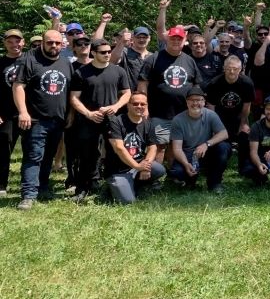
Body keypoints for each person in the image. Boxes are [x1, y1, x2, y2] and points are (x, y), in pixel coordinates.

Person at [14, 30, 74, 210]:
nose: (53, 46)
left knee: (48, 156)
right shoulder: (30, 60)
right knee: (33, 157)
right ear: (43, 43)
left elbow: (70, 90)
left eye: (57, 43)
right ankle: (28, 195)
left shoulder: (65, 63)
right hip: (35, 119)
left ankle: (43, 187)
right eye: (50, 43)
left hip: (58, 120)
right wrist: (23, 112)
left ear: (62, 44)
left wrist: (70, 114)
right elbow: (18, 87)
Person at [68, 38, 132, 202]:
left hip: (111, 118)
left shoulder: (118, 71)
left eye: (109, 52)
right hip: (89, 119)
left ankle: (111, 187)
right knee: (87, 154)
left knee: (114, 153)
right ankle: (83, 188)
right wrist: (88, 113)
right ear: (93, 53)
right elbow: (74, 98)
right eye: (103, 52)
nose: (107, 55)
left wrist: (116, 106)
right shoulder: (81, 72)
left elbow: (127, 93)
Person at [138, 24, 202, 164]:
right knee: (159, 146)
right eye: (173, 38)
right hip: (160, 113)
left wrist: (196, 107)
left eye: (179, 39)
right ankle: (156, 177)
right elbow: (142, 85)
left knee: (176, 145)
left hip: (183, 113)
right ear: (168, 38)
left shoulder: (189, 60)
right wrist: (144, 108)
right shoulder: (153, 59)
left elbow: (196, 86)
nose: (176, 41)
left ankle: (172, 175)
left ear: (184, 40)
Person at [103, 91, 166, 204]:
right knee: (128, 202)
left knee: (159, 170)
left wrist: (145, 167)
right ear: (128, 105)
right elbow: (119, 148)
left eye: (143, 104)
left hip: (138, 166)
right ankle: (113, 187)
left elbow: (153, 147)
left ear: (146, 106)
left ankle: (135, 185)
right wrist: (137, 166)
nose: (139, 106)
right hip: (118, 169)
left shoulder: (148, 123)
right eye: (135, 104)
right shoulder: (116, 122)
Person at [168, 86, 230, 193]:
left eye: (199, 100)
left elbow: (224, 133)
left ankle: (214, 183)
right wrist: (186, 164)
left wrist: (206, 144)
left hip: (206, 152)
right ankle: (190, 180)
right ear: (187, 102)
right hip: (187, 154)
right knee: (177, 172)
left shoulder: (211, 115)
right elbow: (177, 149)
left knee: (223, 147)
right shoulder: (177, 120)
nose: (195, 103)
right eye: (192, 100)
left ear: (204, 102)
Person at [205, 55, 255, 169]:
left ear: (241, 69)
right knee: (221, 144)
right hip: (219, 117)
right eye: (229, 68)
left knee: (246, 135)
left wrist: (243, 124)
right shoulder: (215, 83)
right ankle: (217, 165)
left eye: (235, 69)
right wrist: (215, 128)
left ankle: (245, 166)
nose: (232, 71)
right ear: (224, 68)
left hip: (239, 116)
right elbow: (211, 108)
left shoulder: (247, 83)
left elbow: (247, 106)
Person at [0, 29, 24, 196]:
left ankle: (29, 185)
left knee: (32, 150)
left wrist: (55, 20)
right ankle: (1, 184)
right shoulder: (0, 63)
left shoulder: (30, 60)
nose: (14, 44)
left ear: (23, 42)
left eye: (17, 41)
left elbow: (50, 39)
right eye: (10, 41)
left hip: (29, 113)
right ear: (5, 43)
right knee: (2, 150)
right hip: (6, 114)